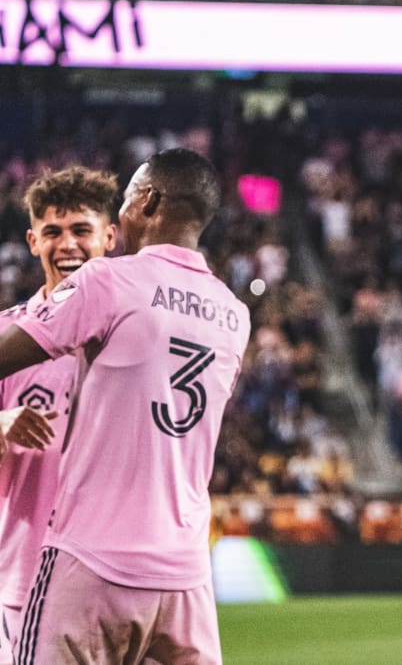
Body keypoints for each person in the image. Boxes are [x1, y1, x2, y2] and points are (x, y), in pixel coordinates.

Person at [0, 148, 251, 664]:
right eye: (52, 232)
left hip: (91, 560)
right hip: (185, 575)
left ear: (147, 200)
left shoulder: (109, 283)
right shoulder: (234, 313)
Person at [0, 166, 118, 665]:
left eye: (81, 230)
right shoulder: (8, 338)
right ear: (32, 241)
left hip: (118, 580)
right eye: (53, 232)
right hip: (26, 580)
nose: (67, 244)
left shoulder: (135, 338)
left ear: (110, 237)